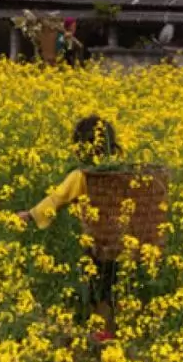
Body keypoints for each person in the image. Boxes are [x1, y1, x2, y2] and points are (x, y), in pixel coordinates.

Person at [17, 115, 121, 343]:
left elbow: (57, 199)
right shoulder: (123, 173)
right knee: (113, 287)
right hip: (124, 243)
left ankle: (102, 335)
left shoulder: (82, 176)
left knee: (98, 289)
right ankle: (113, 331)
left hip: (97, 243)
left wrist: (31, 216)